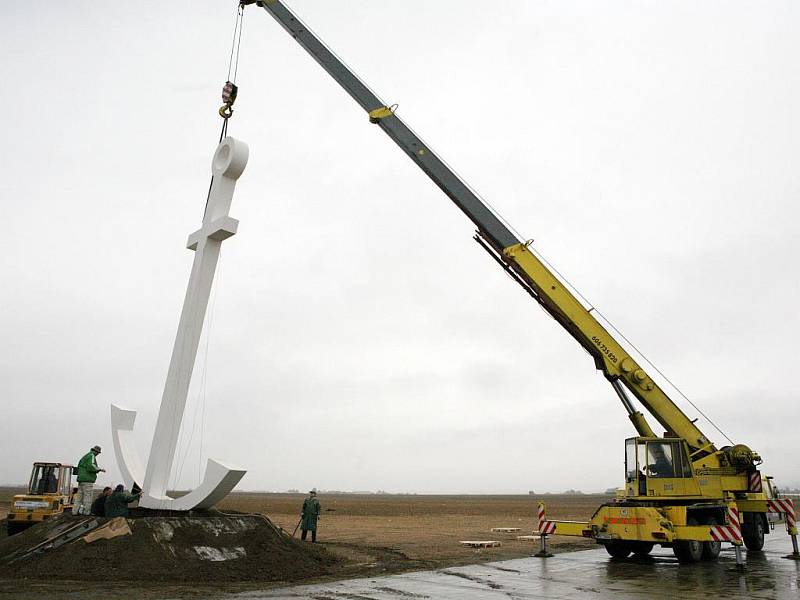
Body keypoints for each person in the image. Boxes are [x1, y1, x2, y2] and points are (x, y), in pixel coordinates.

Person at [73, 445, 105, 515]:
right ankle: (86, 512)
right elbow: (91, 466)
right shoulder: (91, 456)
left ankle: (74, 512)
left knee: (79, 497)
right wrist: (99, 469)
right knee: (88, 497)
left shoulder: (85, 456)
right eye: (98, 453)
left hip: (81, 480)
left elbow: (79, 468)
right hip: (87, 480)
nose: (97, 454)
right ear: (95, 451)